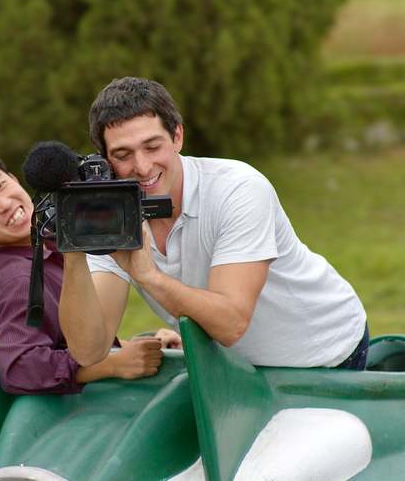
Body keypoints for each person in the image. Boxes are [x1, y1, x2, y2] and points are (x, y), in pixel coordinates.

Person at [59, 77, 369, 370]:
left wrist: (149, 276)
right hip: (237, 369)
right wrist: (74, 250)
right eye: (123, 154)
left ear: (177, 136)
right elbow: (89, 351)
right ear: (106, 159)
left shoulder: (238, 189)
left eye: (152, 147)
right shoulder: (110, 214)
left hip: (325, 353)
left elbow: (231, 323)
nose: (141, 167)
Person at [0, 149, 181, 395]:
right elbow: (19, 367)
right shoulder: (16, 278)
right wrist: (110, 365)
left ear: (13, 179)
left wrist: (135, 346)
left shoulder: (45, 237)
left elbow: (63, 340)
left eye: (0, 185)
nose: (3, 204)